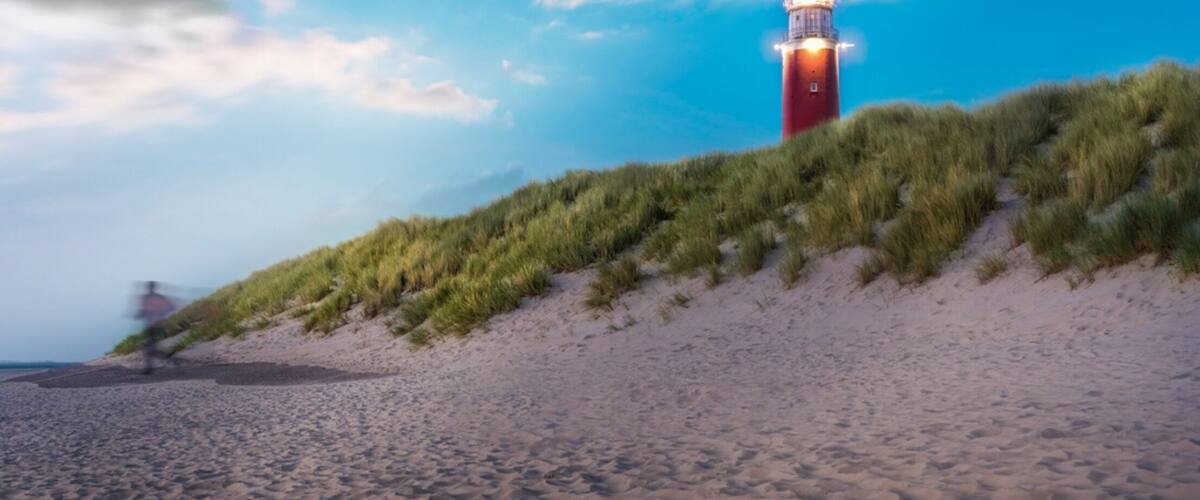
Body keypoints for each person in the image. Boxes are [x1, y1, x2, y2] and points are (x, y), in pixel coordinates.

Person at [136, 281, 176, 375]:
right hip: (157, 325)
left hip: (152, 326)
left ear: (150, 288)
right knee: (149, 346)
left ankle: (150, 368)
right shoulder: (159, 297)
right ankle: (165, 356)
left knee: (148, 346)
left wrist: (142, 314)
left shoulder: (146, 297)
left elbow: (143, 311)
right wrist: (161, 313)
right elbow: (171, 307)